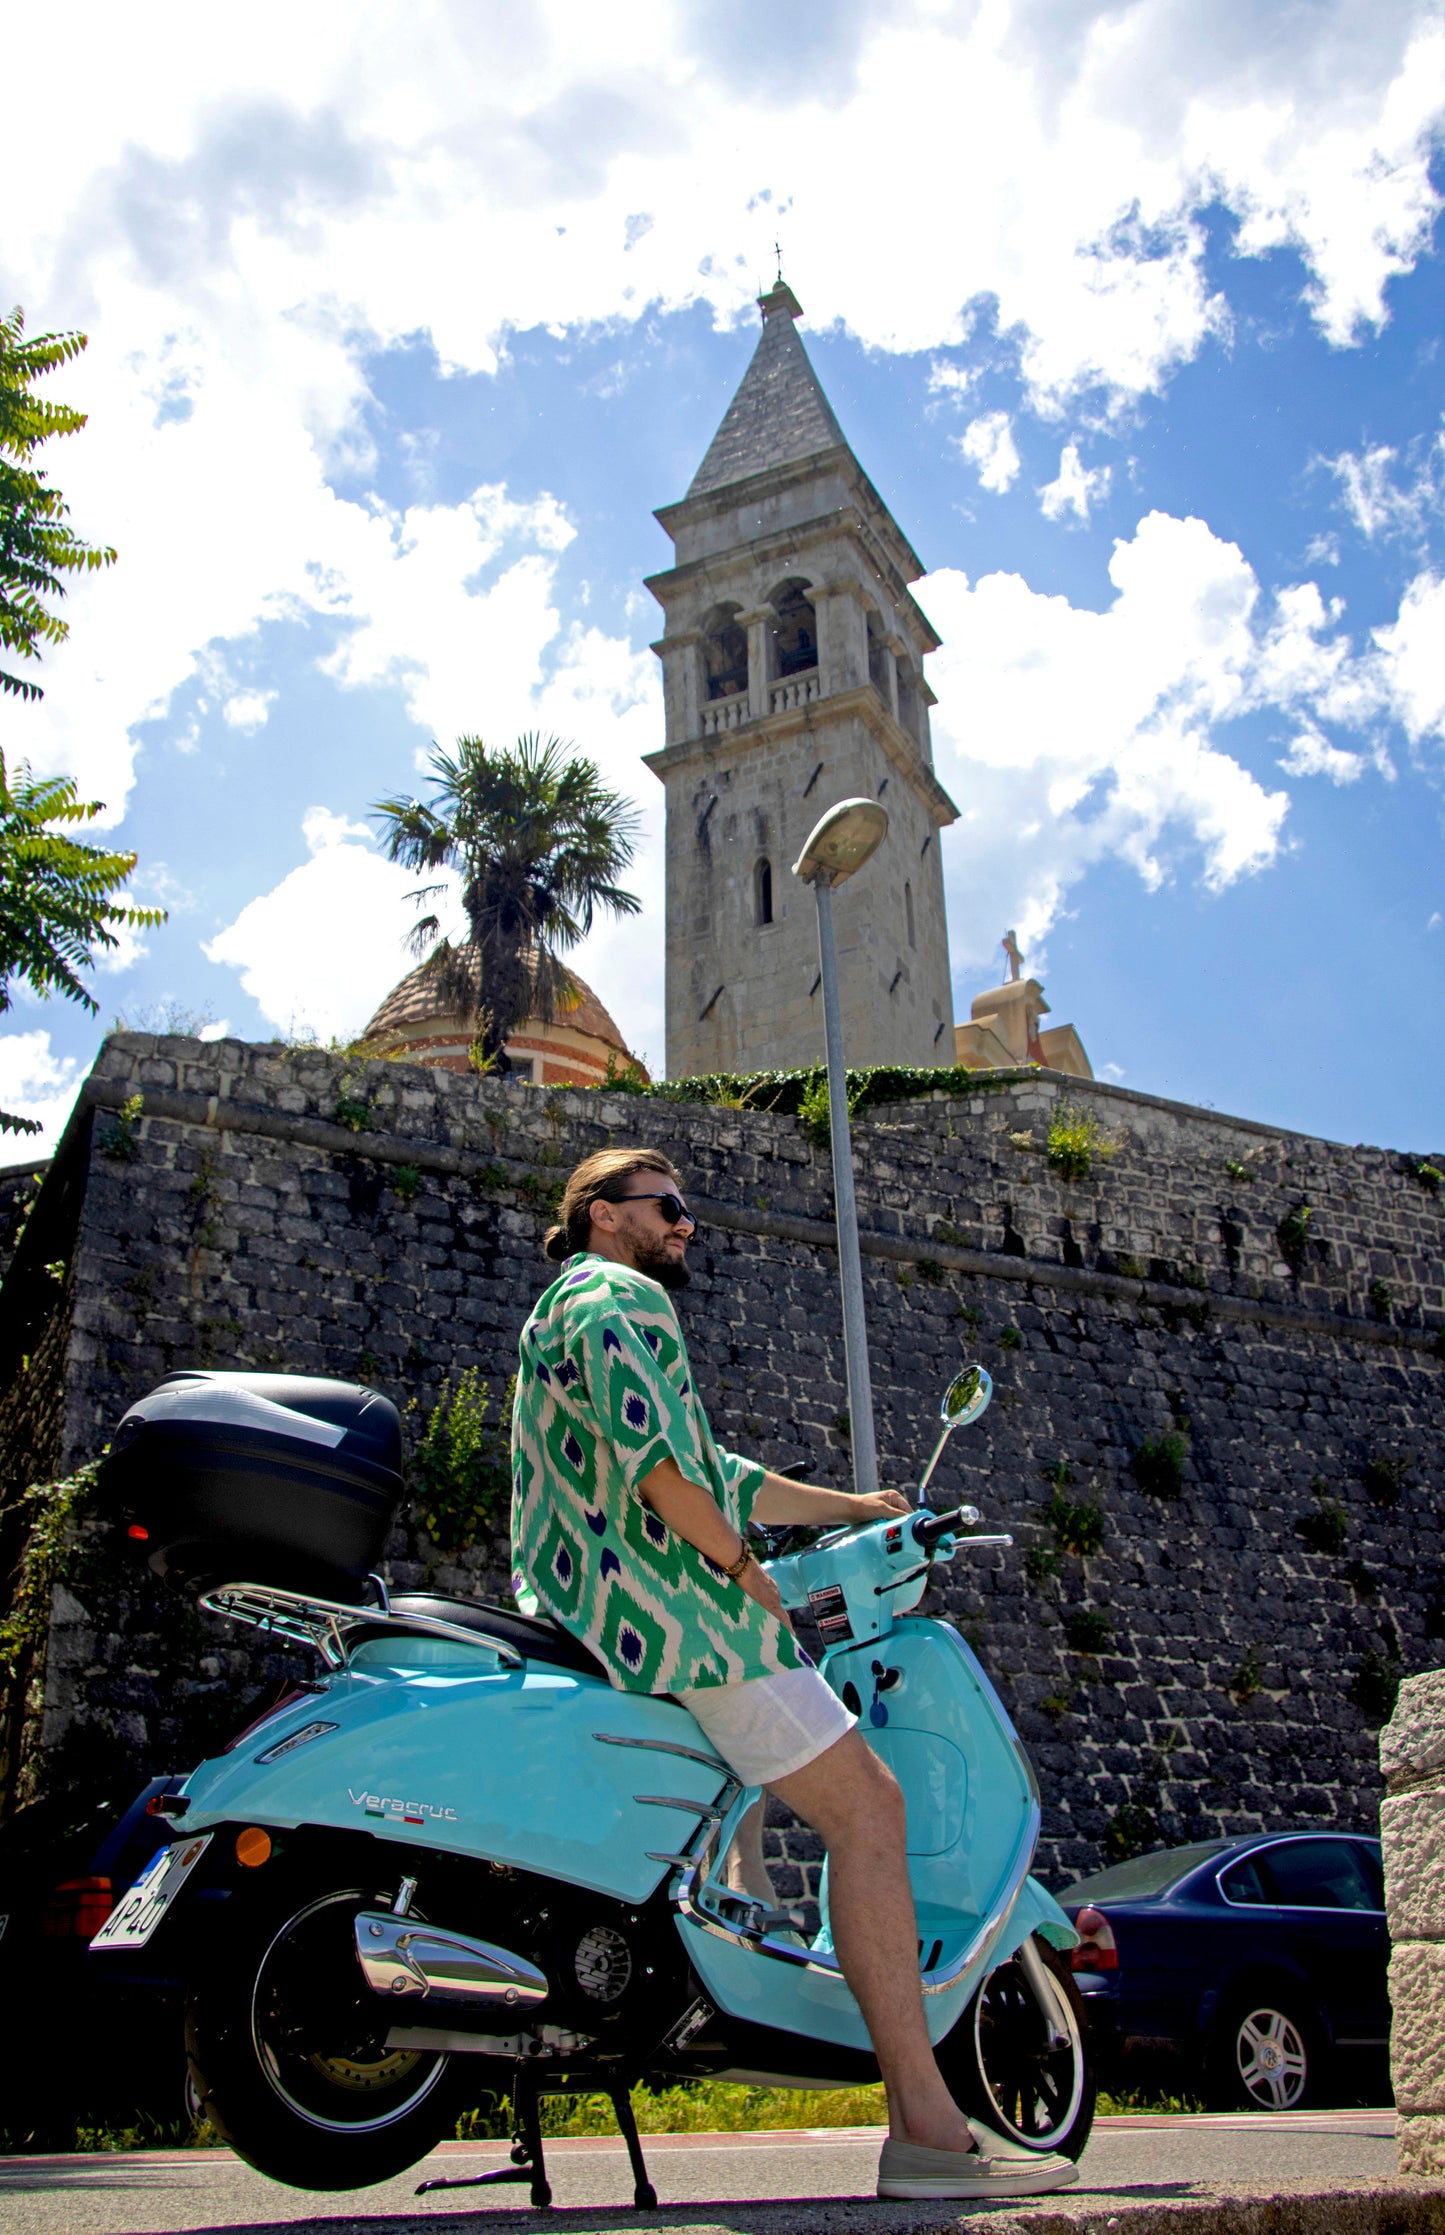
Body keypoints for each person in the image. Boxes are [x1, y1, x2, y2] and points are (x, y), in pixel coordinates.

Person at [510, 1146, 1077, 2202]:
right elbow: (669, 1476)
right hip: (671, 1614)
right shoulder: (619, 1296)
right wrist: (740, 1574)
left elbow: (715, 1470)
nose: (685, 1226)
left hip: (592, 1605)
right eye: (667, 1206)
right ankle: (924, 2129)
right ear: (601, 1214)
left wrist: (853, 1511)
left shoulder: (571, 1308)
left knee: (759, 1809)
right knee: (867, 1809)